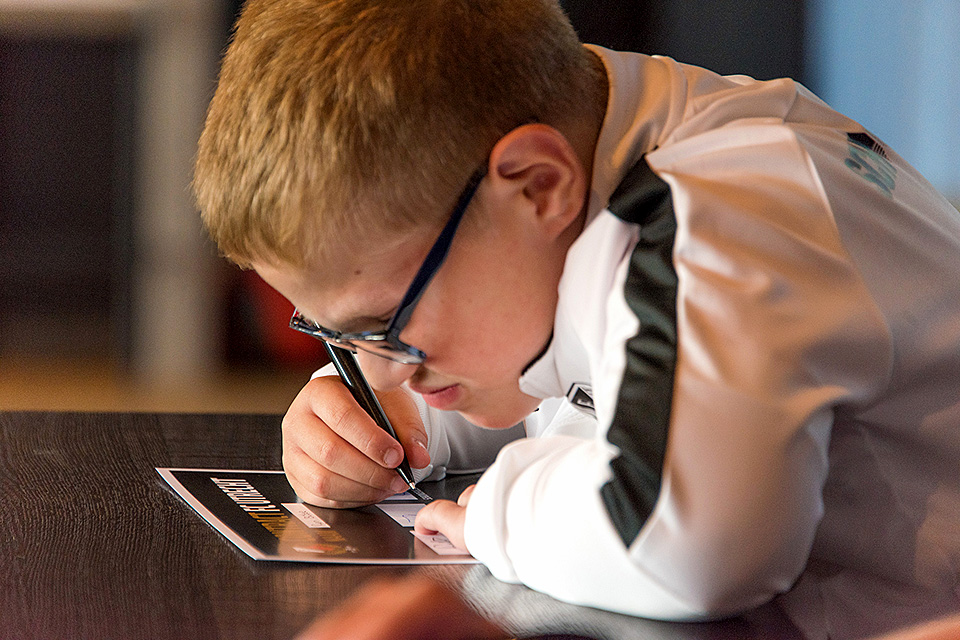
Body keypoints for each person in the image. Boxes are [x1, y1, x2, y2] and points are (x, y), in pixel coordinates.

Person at [193, 0, 960, 636]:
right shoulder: (591, 153)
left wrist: (493, 513)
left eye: (386, 321)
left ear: (536, 184)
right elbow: (602, 375)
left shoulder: (718, 213)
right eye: (337, 333)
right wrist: (406, 421)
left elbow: (686, 544)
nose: (382, 365)